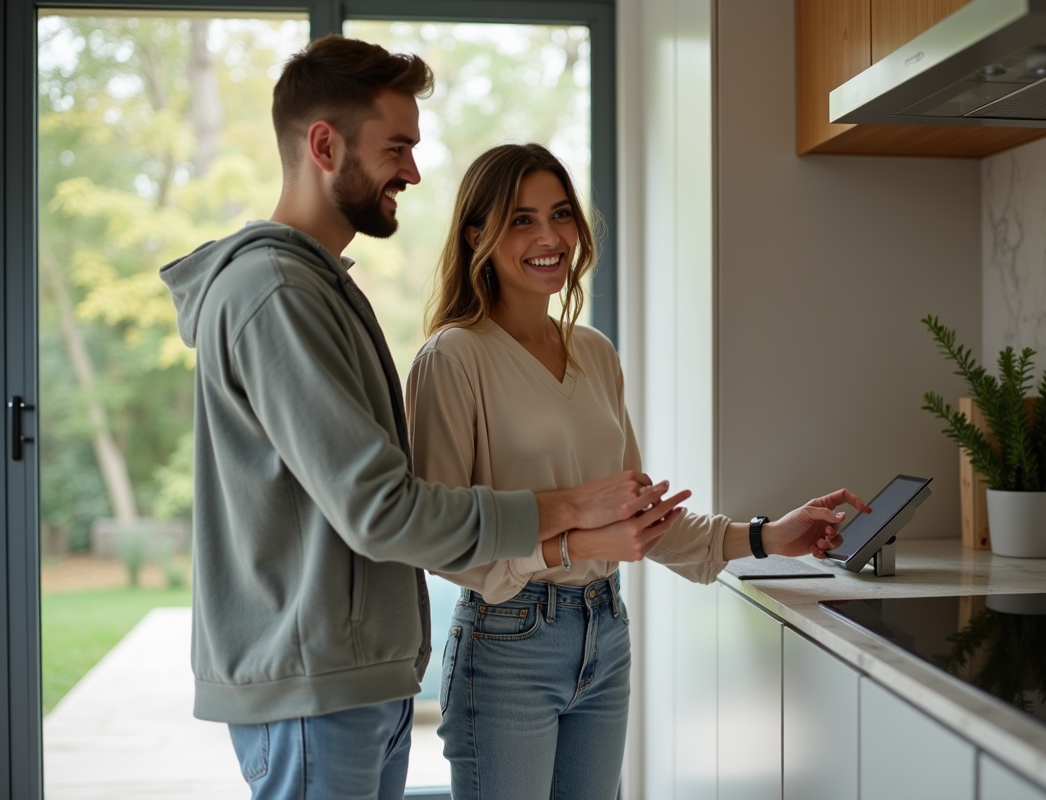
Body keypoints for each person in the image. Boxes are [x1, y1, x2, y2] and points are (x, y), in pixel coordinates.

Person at [158, 37, 677, 800]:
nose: (413, 170)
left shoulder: (323, 289)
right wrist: (570, 511)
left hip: (357, 678)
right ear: (325, 145)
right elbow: (383, 508)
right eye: (397, 147)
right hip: (316, 686)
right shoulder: (278, 296)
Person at [405, 142, 872, 800]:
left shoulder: (595, 353)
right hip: (509, 641)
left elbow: (643, 521)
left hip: (605, 632)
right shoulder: (452, 359)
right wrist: (577, 544)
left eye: (561, 214)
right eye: (521, 219)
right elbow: (447, 542)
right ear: (477, 235)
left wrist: (769, 536)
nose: (549, 237)